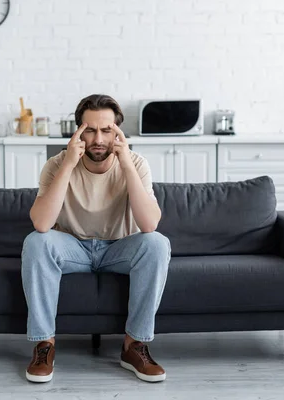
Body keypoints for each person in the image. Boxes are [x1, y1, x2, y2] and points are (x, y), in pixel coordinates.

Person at [21, 94, 171, 383]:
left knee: (157, 243)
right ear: (78, 131)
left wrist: (125, 164)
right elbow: (41, 224)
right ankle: (44, 345)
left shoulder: (136, 163)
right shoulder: (56, 164)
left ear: (118, 132)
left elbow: (149, 224)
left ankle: (134, 345)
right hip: (72, 248)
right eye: (89, 130)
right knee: (36, 242)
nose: (98, 139)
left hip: (119, 249)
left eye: (107, 130)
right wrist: (67, 164)